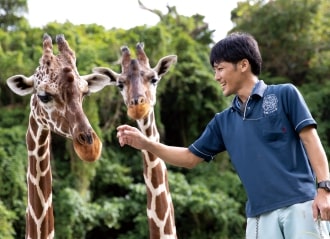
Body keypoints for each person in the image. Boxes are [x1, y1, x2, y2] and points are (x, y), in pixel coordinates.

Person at [116, 32, 330, 239]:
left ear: (243, 65)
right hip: (258, 217)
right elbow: (189, 158)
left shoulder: (285, 94)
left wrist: (324, 190)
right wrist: (146, 143)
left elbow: (311, 141)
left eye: (220, 68)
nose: (216, 76)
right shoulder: (223, 121)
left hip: (301, 206)